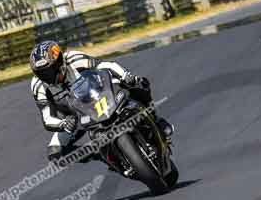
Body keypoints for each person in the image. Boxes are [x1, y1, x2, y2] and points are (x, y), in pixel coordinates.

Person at [29, 40, 173, 162]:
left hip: (98, 94)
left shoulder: (73, 58)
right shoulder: (38, 85)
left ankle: (156, 119)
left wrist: (126, 76)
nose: (48, 76)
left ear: (60, 61)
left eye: (50, 70)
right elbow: (47, 118)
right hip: (75, 117)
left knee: (138, 83)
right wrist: (63, 123)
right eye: (42, 74)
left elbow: (105, 65)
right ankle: (105, 157)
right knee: (54, 153)